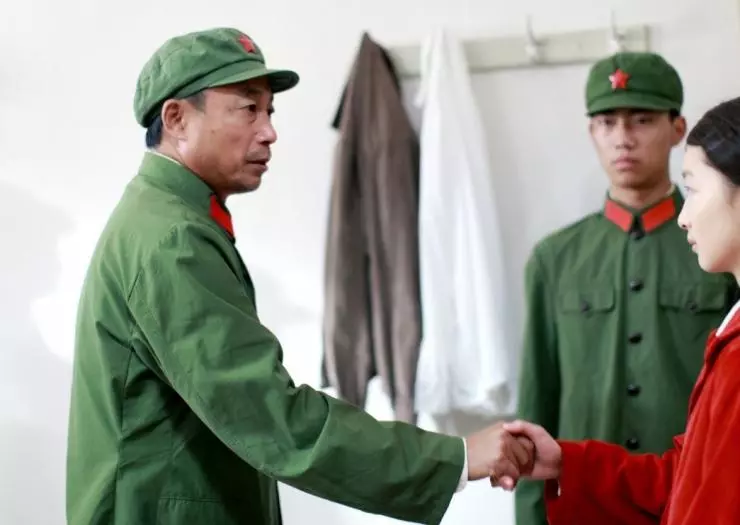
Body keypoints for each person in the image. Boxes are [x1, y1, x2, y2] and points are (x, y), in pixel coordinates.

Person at [65, 27, 533, 525]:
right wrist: (456, 457)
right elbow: (271, 418)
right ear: (177, 118)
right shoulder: (172, 239)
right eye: (249, 109)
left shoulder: (164, 217)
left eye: (270, 112)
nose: (269, 132)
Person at [514, 51, 740, 525]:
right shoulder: (554, 259)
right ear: (591, 132)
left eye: (641, 119)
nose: (623, 138)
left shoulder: (719, 249)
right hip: (588, 506)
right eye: (606, 122)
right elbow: (538, 403)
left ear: (677, 129)